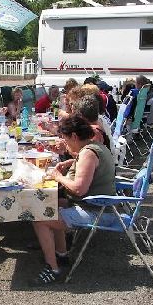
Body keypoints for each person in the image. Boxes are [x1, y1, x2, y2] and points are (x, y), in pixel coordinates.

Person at [30, 114, 116, 285]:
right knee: (52, 205)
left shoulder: (88, 154)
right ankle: (62, 255)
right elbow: (88, 164)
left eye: (66, 139)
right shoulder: (95, 145)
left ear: (75, 136)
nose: (66, 143)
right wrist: (70, 162)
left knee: (40, 218)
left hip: (97, 211)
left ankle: (53, 269)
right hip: (99, 205)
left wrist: (58, 177)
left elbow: (79, 188)